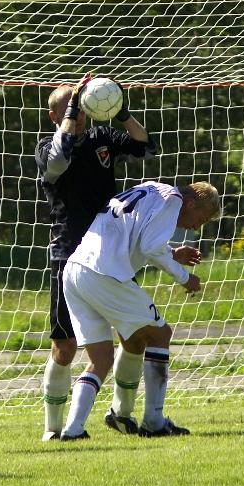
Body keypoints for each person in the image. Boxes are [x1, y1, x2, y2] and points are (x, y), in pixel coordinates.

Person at [35, 74, 159, 440]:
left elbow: (144, 145)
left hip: (111, 255)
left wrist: (120, 112)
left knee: (134, 335)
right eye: (70, 109)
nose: (80, 116)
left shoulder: (102, 139)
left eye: (83, 109)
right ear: (55, 115)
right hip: (68, 254)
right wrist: (74, 102)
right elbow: (59, 159)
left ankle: (121, 414)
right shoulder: (48, 148)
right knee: (65, 346)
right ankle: (52, 429)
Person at [59, 181, 220, 440]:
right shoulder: (174, 200)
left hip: (76, 270)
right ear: (190, 203)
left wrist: (171, 252)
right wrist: (183, 277)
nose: (196, 227)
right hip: (105, 273)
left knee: (105, 357)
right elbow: (148, 247)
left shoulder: (151, 189)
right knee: (160, 335)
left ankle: (74, 429)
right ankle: (154, 421)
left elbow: (137, 233)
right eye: (200, 219)